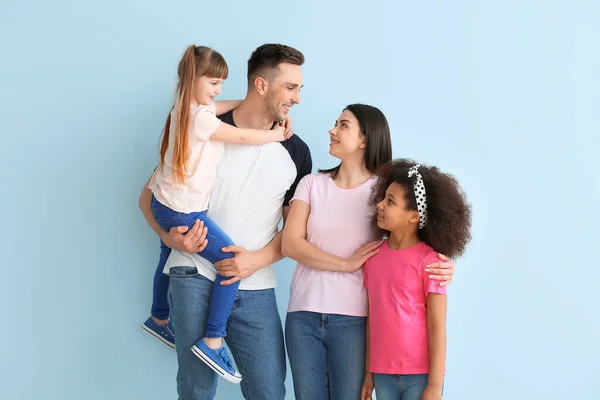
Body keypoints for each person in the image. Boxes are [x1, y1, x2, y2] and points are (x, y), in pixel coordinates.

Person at [139, 43, 310, 399]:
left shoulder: (296, 151)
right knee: (196, 388)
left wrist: (253, 261)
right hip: (193, 274)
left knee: (267, 389)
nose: (296, 98)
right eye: (290, 88)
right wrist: (169, 239)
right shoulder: (203, 127)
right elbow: (150, 197)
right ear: (261, 85)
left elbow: (295, 232)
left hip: (255, 283)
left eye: (299, 89)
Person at [281, 104, 456, 400]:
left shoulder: (384, 194)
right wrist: (345, 264)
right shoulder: (311, 184)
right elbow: (290, 243)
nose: (332, 130)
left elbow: (412, 234)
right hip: (304, 314)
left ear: (365, 140)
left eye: (343, 125)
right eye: (335, 123)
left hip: (355, 319)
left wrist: (444, 261)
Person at [360, 159, 472, 400]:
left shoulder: (432, 263)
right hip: (383, 373)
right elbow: (373, 319)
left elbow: (437, 326)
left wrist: (434, 385)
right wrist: (369, 373)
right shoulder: (373, 258)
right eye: (384, 198)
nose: (379, 205)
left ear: (413, 216)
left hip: (420, 376)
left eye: (390, 202)